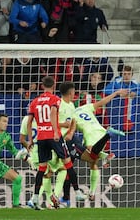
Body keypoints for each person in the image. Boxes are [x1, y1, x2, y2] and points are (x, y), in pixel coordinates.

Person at [58, 82, 127, 203]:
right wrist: (115, 93)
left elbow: (68, 126)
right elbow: (102, 102)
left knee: (90, 158)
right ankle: (89, 193)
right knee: (90, 164)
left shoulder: (70, 112)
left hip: (91, 137)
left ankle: (106, 145)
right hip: (100, 131)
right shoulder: (86, 107)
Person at [27, 76, 86, 210]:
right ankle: (77, 192)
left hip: (41, 137)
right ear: (54, 86)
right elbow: (53, 113)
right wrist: (55, 131)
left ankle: (35, 197)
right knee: (68, 164)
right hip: (54, 137)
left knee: (42, 169)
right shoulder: (55, 99)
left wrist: (30, 139)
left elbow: (30, 122)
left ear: (42, 86)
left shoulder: (35, 101)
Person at [20, 114, 66, 209]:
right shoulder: (44, 118)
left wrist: (30, 150)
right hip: (45, 148)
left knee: (46, 175)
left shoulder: (25, 119)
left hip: (34, 151)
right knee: (59, 170)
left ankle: (47, 202)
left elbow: (21, 139)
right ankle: (49, 200)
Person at [104, 65, 140, 131]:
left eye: (129, 74)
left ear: (132, 75)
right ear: (121, 74)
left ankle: (129, 126)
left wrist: (136, 93)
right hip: (116, 109)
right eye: (124, 74)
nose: (126, 76)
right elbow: (105, 90)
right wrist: (118, 92)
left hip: (130, 109)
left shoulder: (135, 84)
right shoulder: (116, 82)